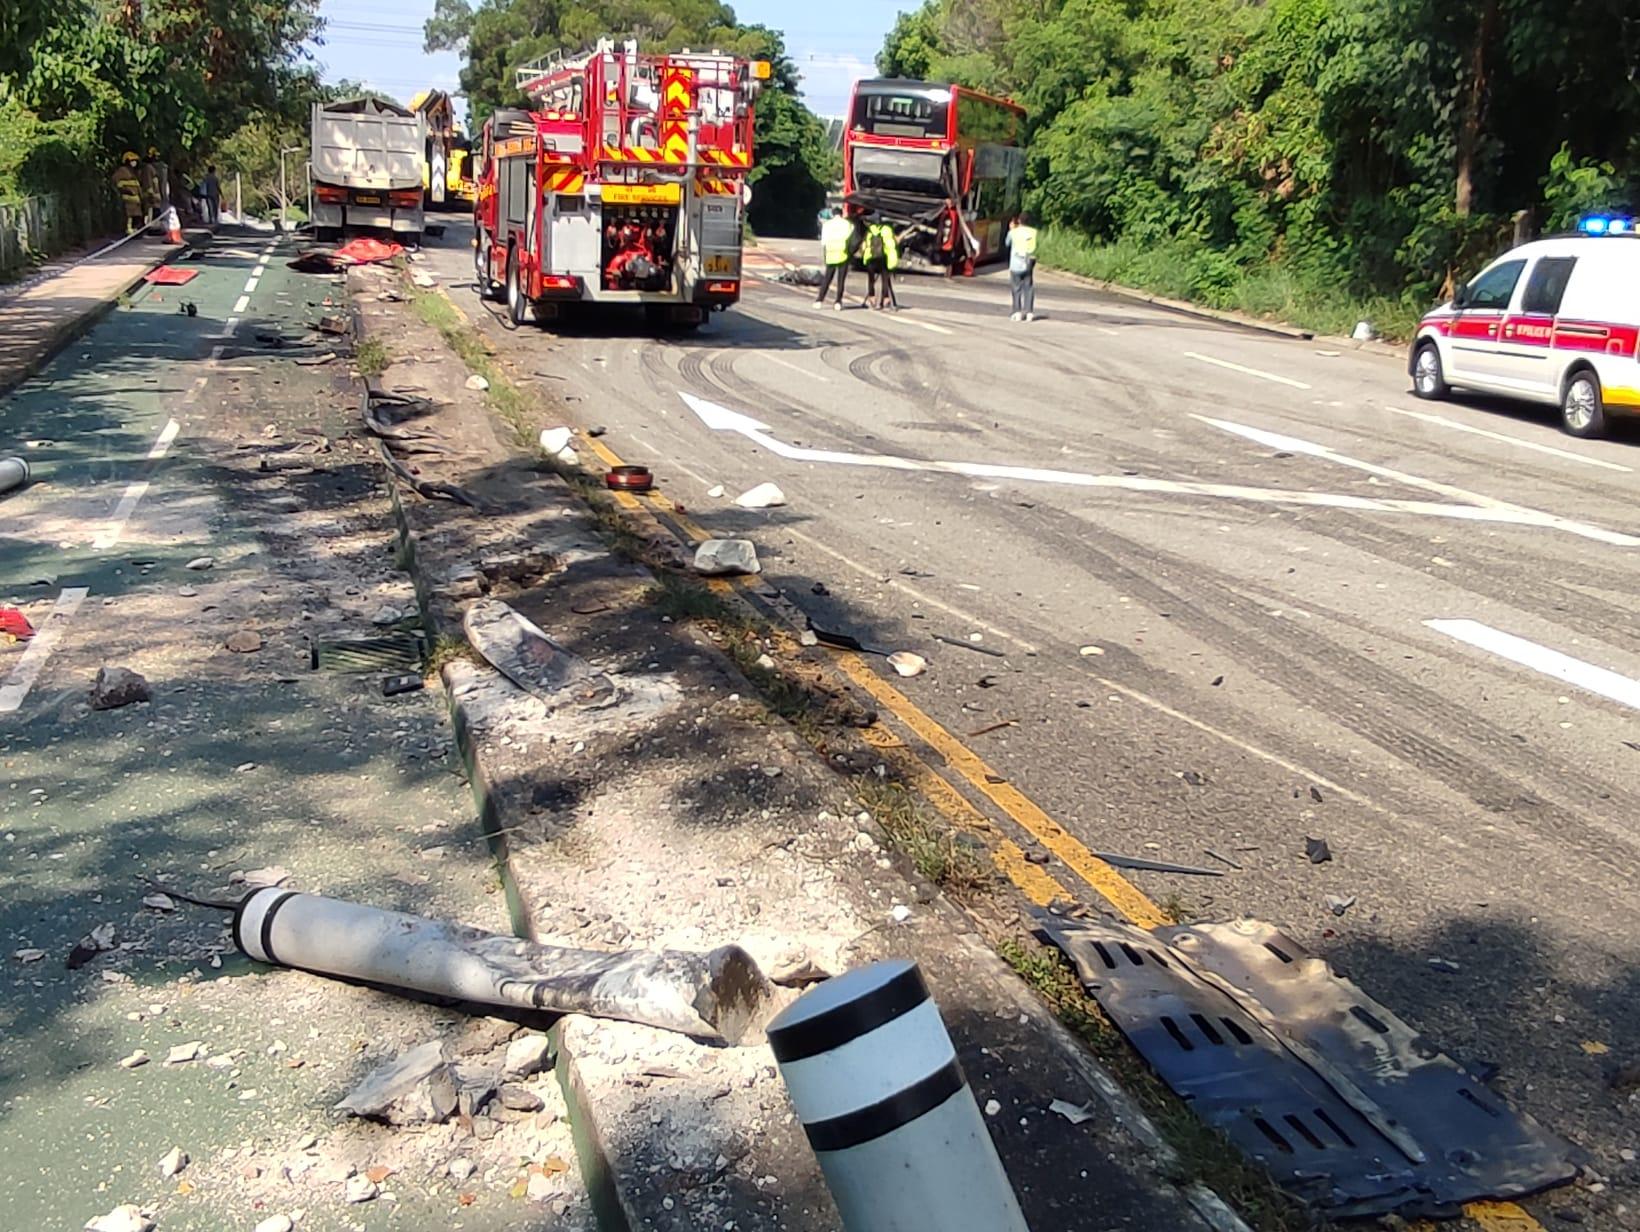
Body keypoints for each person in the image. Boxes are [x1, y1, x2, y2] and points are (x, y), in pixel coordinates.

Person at [813, 205, 860, 310]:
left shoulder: (827, 225)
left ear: (832, 214)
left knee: (827, 278)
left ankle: (819, 300)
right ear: (841, 214)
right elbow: (853, 238)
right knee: (841, 280)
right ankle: (838, 302)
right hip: (843, 253)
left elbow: (823, 242)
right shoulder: (847, 224)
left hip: (830, 253)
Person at [1006, 211, 1038, 321]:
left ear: (1019, 221)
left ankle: (1017, 312)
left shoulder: (1013, 233)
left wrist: (1011, 230)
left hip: (1015, 263)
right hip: (1028, 262)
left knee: (1016, 288)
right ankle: (1029, 312)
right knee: (1028, 287)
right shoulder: (1033, 232)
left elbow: (1007, 243)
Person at [861, 217, 900, 310]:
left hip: (871, 258)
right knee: (885, 279)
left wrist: (865, 256)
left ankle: (872, 298)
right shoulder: (887, 230)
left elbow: (864, 245)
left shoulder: (870, 230)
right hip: (883, 258)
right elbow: (891, 246)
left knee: (871, 279)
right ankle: (885, 299)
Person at [112, 152, 144, 234]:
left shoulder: (134, 172)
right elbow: (116, 181)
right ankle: (128, 231)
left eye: (135, 161)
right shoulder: (122, 171)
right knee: (129, 216)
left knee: (137, 216)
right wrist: (125, 190)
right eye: (132, 161)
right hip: (127, 198)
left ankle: (135, 231)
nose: (134, 162)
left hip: (136, 199)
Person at [139, 148, 166, 222]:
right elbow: (148, 183)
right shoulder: (148, 168)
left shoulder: (152, 168)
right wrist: (151, 194)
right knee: (150, 215)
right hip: (151, 198)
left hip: (155, 198)